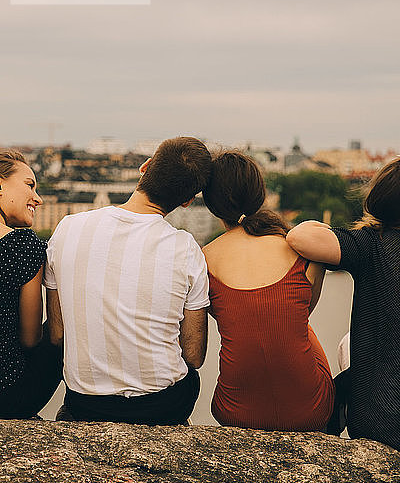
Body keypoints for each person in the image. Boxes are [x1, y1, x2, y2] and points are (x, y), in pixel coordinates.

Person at [44, 137, 211, 425]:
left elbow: (57, 334)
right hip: (162, 405)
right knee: (189, 378)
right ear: (187, 201)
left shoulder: (68, 229)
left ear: (144, 168)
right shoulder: (185, 248)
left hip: (85, 403)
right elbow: (193, 356)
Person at [202, 151, 334, 431]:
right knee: (300, 325)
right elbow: (303, 311)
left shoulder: (204, 259)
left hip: (234, 411)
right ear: (259, 194)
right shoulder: (300, 250)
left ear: (211, 205)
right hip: (310, 411)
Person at [286, 156, 400, 450]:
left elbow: (299, 237)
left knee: (350, 345)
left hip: (377, 422)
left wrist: (319, 225)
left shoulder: (371, 244)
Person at [0, 150, 62, 419]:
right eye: (29, 185)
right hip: (9, 395)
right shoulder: (23, 246)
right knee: (61, 324)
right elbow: (30, 338)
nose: (38, 198)